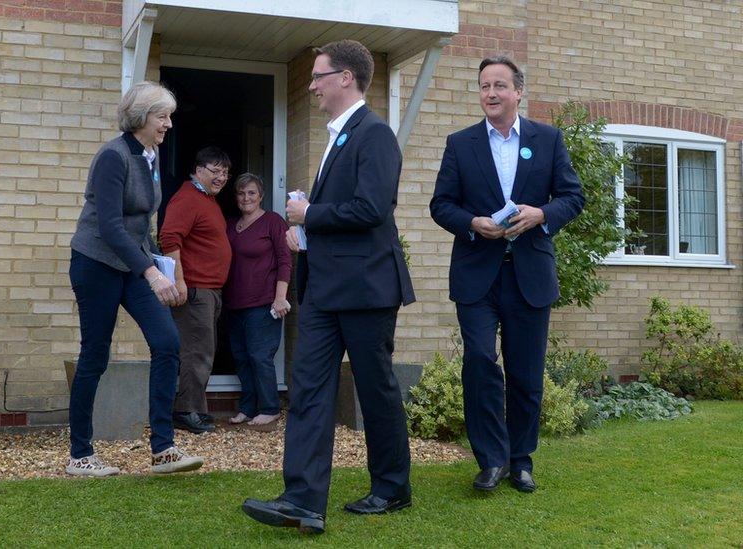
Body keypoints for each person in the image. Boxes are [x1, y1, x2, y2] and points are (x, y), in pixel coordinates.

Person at [242, 39, 416, 534]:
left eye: (318, 76)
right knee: (310, 390)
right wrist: (306, 233)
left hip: (366, 289)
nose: (312, 85)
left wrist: (309, 214)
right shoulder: (337, 135)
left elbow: (373, 208)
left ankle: (391, 487)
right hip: (322, 290)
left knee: (375, 389)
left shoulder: (374, 133)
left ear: (346, 78)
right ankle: (301, 500)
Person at [429, 55, 584, 493]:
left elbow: (573, 196)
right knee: (479, 361)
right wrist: (471, 223)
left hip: (530, 274)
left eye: (499, 85)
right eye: (484, 86)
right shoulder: (460, 143)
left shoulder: (548, 139)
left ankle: (521, 459)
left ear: (519, 91)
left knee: (526, 372)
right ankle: (491, 459)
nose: (491, 94)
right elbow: (441, 204)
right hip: (477, 273)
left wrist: (542, 213)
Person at [66, 81, 204, 477]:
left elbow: (143, 222)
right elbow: (110, 227)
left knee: (167, 342)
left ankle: (163, 450)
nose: (168, 125)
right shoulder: (113, 156)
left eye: (170, 116)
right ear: (141, 117)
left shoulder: (150, 154)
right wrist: (151, 274)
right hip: (95, 263)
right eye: (163, 116)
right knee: (96, 354)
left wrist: (163, 268)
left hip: (132, 264)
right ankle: (80, 455)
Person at [159, 147, 233, 434]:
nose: (221, 177)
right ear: (198, 169)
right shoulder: (188, 197)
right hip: (196, 290)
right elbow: (168, 237)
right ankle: (185, 411)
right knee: (196, 352)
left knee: (203, 350)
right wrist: (179, 281)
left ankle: (195, 409)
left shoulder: (208, 200)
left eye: (225, 172)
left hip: (210, 290)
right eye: (215, 171)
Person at [223, 173, 292, 428]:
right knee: (241, 356)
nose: (246, 198)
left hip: (264, 303)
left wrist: (280, 298)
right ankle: (248, 407)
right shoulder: (230, 224)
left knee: (259, 355)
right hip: (234, 303)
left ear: (261, 196)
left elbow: (285, 261)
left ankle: (270, 407)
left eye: (251, 193)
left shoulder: (273, 222)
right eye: (241, 193)